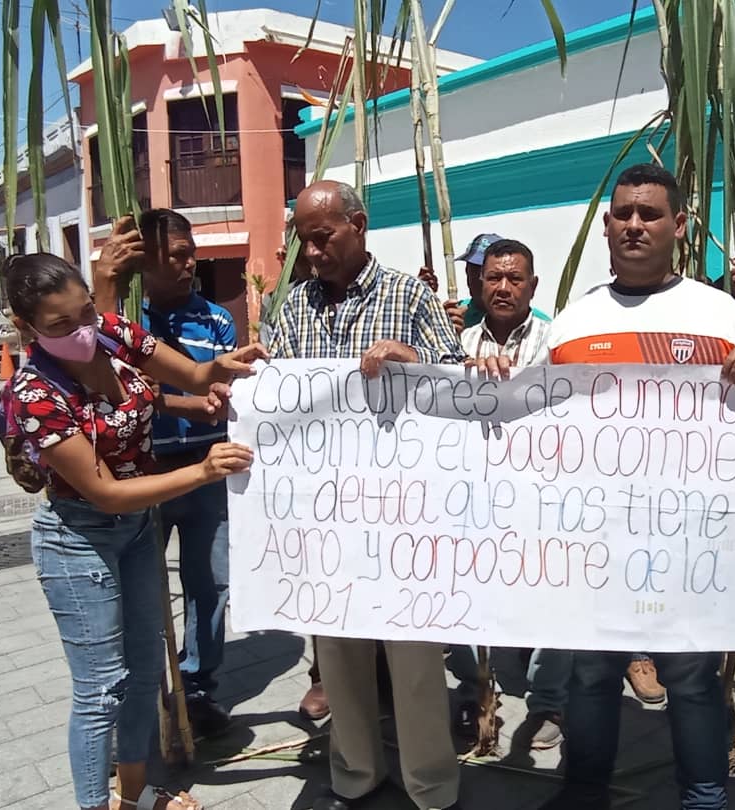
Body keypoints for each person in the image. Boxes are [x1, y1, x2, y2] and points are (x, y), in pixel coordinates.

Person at [523, 163, 735, 810]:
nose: (633, 225)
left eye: (649, 214)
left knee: (692, 675)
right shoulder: (571, 324)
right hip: (596, 536)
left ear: (679, 225)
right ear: (607, 226)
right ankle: (584, 790)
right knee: (591, 674)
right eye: (623, 214)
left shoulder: (719, 313)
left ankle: (702, 796)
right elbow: (526, 413)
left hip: (691, 539)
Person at [5, 252, 266, 810]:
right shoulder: (33, 396)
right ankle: (94, 804)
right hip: (78, 541)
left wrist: (224, 366)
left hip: (136, 533)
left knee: (146, 672)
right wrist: (199, 471)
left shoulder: (111, 330)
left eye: (84, 314)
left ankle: (136, 793)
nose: (80, 331)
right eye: (59, 326)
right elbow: (105, 491)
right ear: (26, 328)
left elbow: (193, 374)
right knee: (102, 689)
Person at [268, 179, 465, 810]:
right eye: (303, 239)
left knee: (413, 659)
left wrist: (413, 359)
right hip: (325, 516)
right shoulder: (293, 306)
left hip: (405, 513)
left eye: (322, 237)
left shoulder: (409, 294)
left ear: (357, 226)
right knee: (340, 650)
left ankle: (430, 783)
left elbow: (461, 386)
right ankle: (354, 772)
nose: (312, 251)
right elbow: (276, 391)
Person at [94, 209, 240, 739]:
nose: (188, 264)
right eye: (174, 256)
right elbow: (118, 388)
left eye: (189, 252)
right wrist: (188, 403)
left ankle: (198, 690)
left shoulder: (218, 321)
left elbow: (220, 385)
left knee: (213, 583)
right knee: (146, 589)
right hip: (146, 474)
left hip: (209, 473)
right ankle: (150, 693)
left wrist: (223, 400)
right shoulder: (123, 323)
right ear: (146, 264)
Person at [449, 237, 567, 749]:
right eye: (493, 277)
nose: (502, 287)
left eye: (514, 278)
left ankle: (546, 705)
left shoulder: (555, 341)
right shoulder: (456, 343)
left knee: (549, 598)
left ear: (532, 286)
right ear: (480, 282)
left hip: (538, 491)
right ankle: (477, 691)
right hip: (470, 491)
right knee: (460, 593)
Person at [419, 233, 551, 334]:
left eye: (493, 276)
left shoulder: (543, 327)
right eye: (472, 271)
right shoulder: (455, 313)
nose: (476, 280)